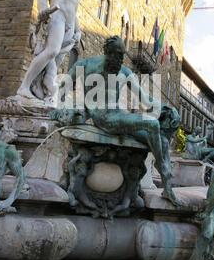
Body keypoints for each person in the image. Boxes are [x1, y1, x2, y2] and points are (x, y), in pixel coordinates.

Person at [63, 36, 182, 206]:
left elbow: (146, 99)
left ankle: (166, 188)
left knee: (162, 140)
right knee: (152, 124)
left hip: (118, 116)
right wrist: (67, 108)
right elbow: (63, 87)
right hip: (103, 117)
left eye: (122, 56)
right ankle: (163, 171)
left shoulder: (124, 72)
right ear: (106, 52)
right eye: (116, 55)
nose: (120, 60)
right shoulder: (86, 66)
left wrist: (168, 108)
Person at [17, 0, 89, 104]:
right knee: (52, 51)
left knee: (55, 61)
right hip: (57, 16)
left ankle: (40, 91)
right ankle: (24, 87)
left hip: (69, 25)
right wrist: (43, 11)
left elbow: (74, 10)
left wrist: (78, 30)